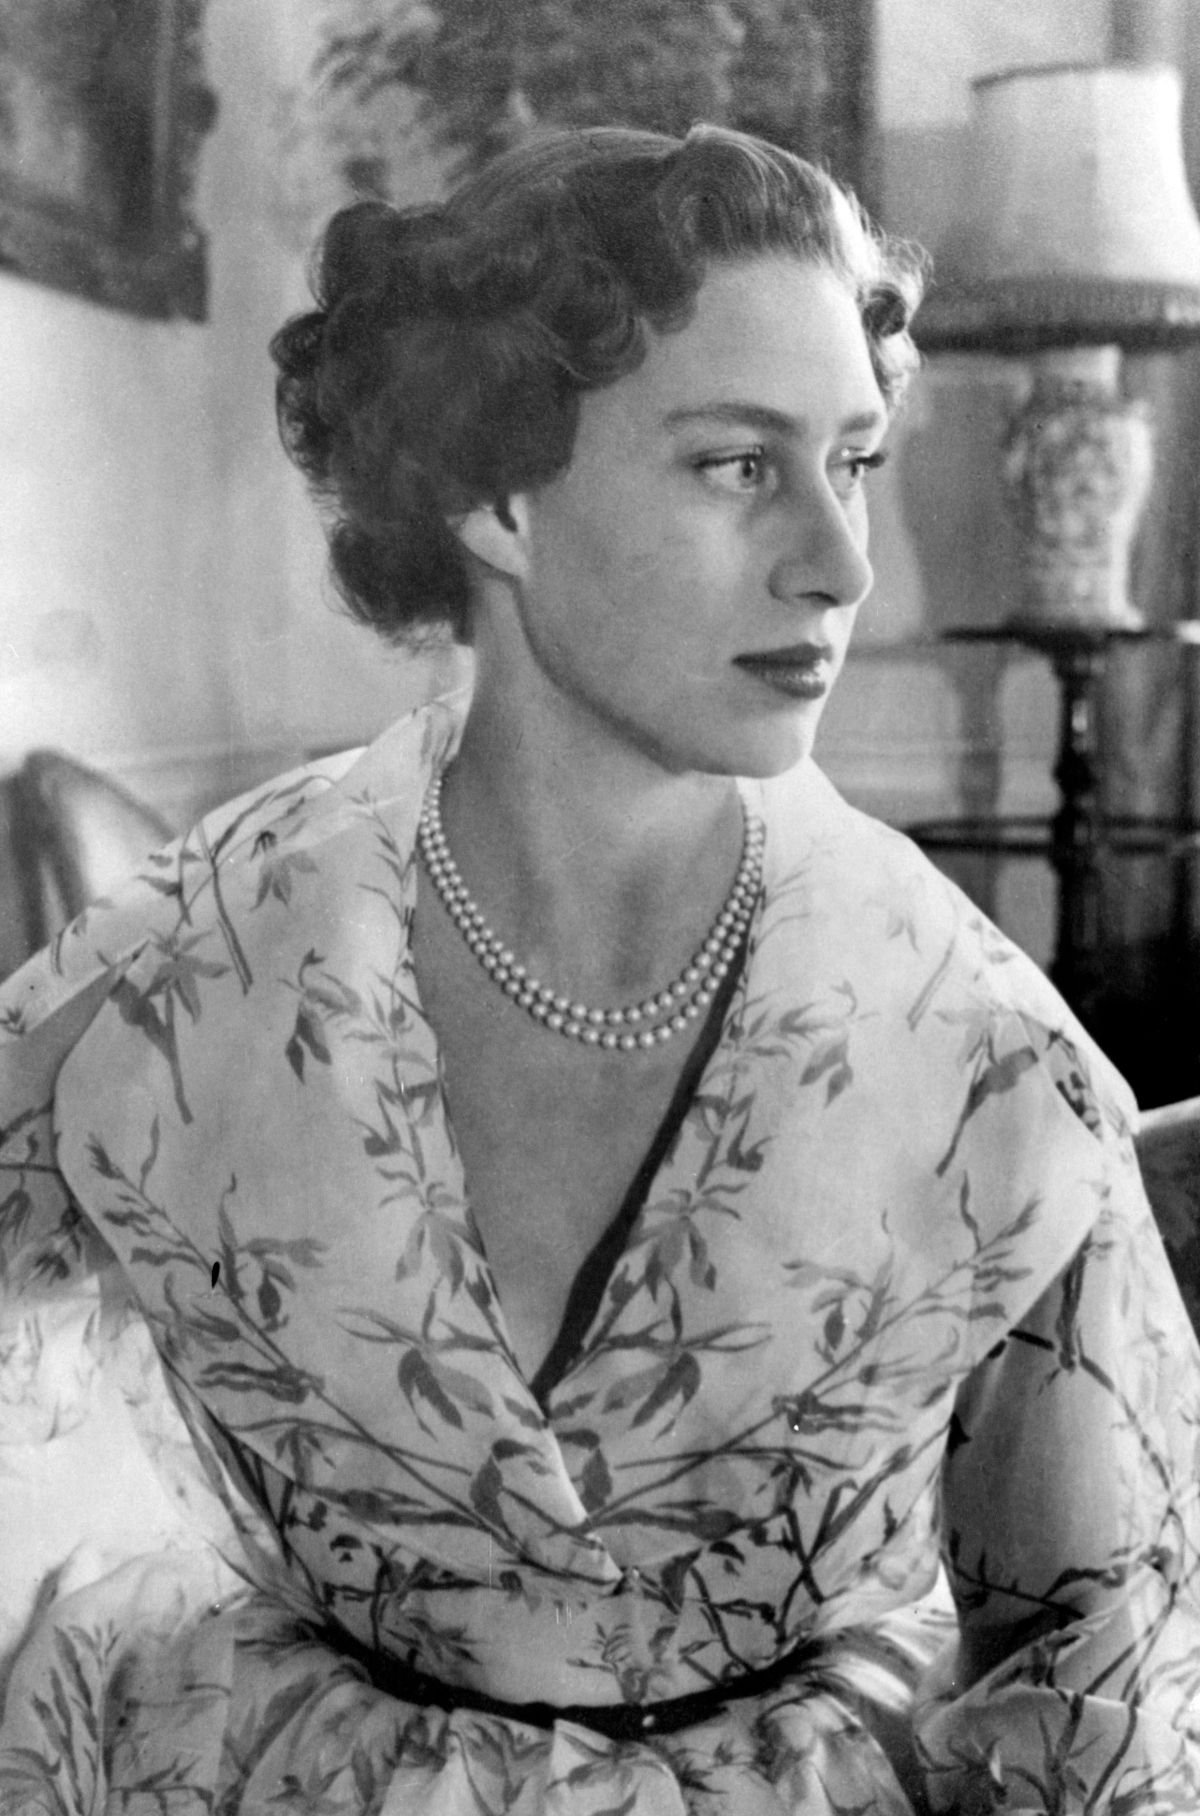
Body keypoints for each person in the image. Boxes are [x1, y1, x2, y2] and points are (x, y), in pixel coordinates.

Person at [1, 122, 1198, 1816]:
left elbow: (1106, 1693)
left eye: (852, 461)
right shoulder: (202, 957)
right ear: (495, 495)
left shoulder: (986, 1058)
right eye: (738, 464)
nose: (842, 563)